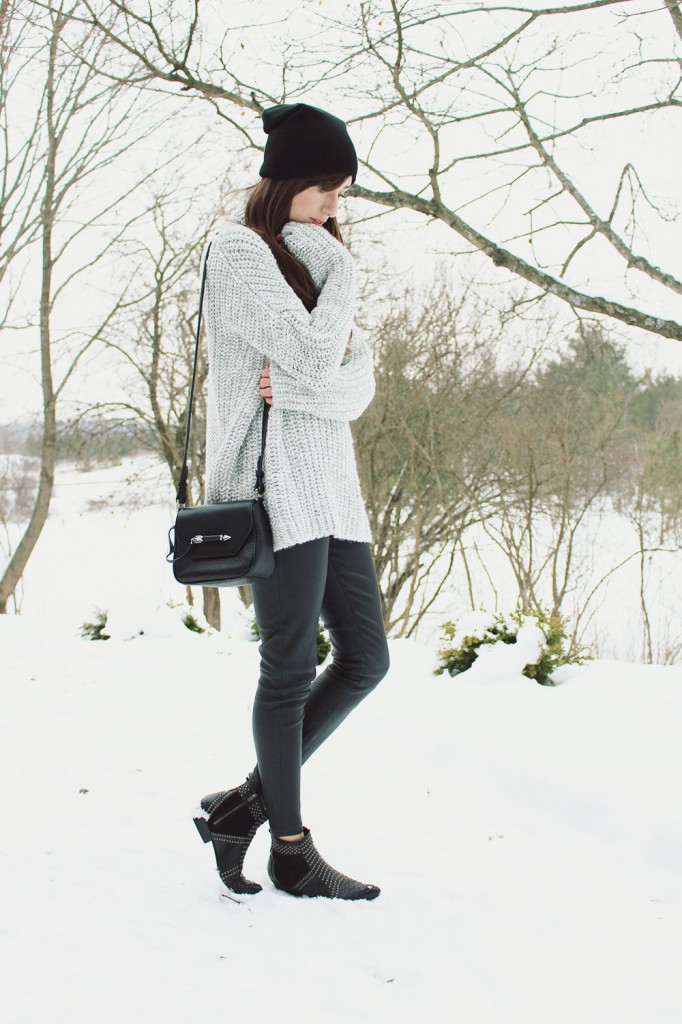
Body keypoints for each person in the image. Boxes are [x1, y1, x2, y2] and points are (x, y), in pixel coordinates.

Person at [192, 102, 390, 901]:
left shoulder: (318, 253)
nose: (337, 206)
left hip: (334, 488)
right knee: (289, 671)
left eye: (341, 193)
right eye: (328, 189)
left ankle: (241, 805)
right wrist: (339, 285)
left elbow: (359, 377)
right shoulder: (237, 251)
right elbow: (313, 352)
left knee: (368, 659)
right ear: (291, 180)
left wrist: (319, 392)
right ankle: (289, 847)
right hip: (275, 489)